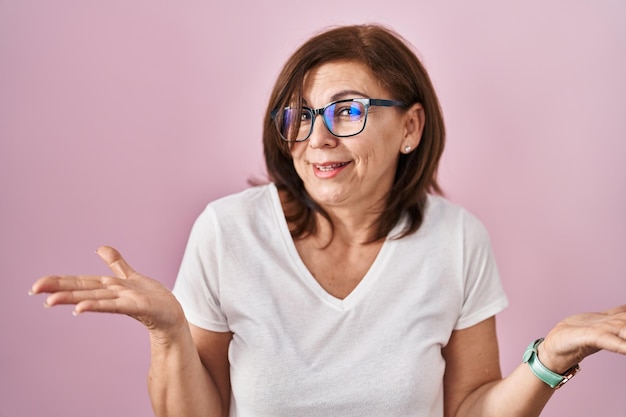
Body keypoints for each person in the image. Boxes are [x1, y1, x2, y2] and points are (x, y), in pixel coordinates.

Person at [30, 24, 625, 417]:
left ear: (410, 128)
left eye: (347, 112)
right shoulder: (226, 231)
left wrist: (552, 356)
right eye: (300, 113)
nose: (315, 138)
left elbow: (469, 408)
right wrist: (170, 335)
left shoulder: (457, 239)